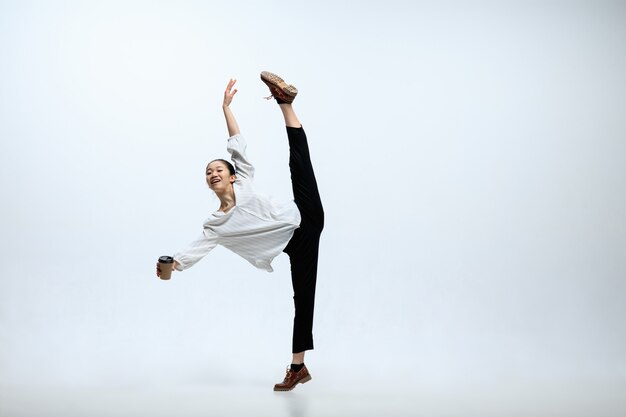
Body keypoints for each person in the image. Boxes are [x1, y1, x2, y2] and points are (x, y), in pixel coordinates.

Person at [156, 72, 324, 391]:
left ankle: (284, 103)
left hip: (305, 212)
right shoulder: (216, 225)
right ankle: (298, 368)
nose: (213, 173)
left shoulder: (243, 179)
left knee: (298, 162)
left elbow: (237, 144)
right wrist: (170, 266)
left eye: (218, 169)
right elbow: (190, 253)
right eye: (208, 172)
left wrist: (226, 108)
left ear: (231, 177)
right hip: (297, 244)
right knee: (303, 302)